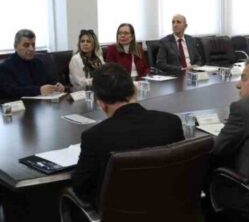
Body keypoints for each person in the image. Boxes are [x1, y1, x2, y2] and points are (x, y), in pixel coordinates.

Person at [71, 63, 184, 207]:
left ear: (101, 104)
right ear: (135, 90)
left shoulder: (94, 137)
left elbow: (80, 186)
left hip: (119, 218)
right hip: (171, 211)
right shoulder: (171, 122)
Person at [0, 29, 65, 99]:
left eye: (33, 45)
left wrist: (57, 86)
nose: (31, 49)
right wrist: (38, 90)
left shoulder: (38, 63)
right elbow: (10, 91)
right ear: (16, 46)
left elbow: (50, 81)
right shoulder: (6, 67)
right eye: (26, 45)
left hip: (43, 102)